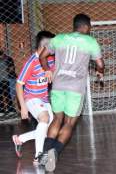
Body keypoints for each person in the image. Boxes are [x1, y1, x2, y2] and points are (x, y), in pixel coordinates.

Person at [38, 13, 105, 172]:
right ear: (87, 26)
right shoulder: (90, 42)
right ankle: (54, 152)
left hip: (58, 86)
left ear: (74, 25)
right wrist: (100, 71)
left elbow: (42, 56)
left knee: (56, 119)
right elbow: (100, 63)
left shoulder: (59, 38)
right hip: (75, 89)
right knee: (68, 123)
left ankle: (45, 153)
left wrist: (47, 70)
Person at [12, 31, 55, 164]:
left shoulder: (50, 59)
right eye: (53, 46)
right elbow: (19, 85)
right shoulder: (31, 62)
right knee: (44, 117)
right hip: (31, 98)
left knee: (46, 127)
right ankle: (38, 156)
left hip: (43, 98)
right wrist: (23, 107)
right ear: (44, 47)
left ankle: (20, 139)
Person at [0, 50, 17, 115]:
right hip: (2, 79)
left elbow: (11, 69)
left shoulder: (8, 58)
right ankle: (2, 110)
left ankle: (11, 110)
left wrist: (6, 70)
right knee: (2, 95)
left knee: (9, 94)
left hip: (8, 79)